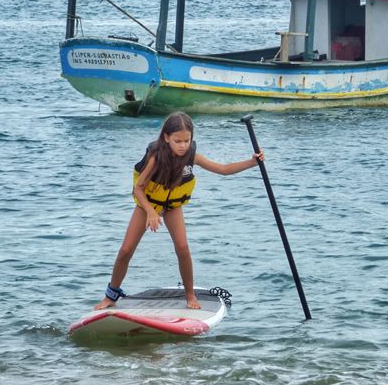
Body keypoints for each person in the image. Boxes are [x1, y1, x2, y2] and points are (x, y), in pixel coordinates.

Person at [94, 112, 264, 310]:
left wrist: (252, 162)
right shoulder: (156, 158)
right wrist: (150, 211)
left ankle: (190, 295)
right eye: (177, 141)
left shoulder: (192, 157)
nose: (183, 145)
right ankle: (111, 295)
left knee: (183, 248)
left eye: (187, 140)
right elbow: (138, 188)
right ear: (166, 138)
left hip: (172, 206)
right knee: (125, 250)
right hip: (148, 202)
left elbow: (223, 169)